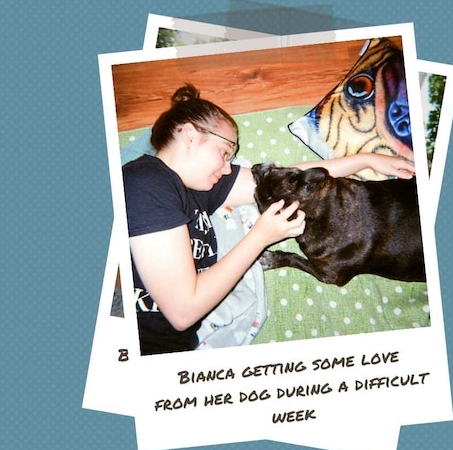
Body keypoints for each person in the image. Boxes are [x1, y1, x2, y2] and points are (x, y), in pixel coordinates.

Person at [123, 83, 415, 355]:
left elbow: (293, 177)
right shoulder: (146, 182)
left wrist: (365, 160)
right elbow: (183, 312)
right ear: (189, 135)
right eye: (225, 153)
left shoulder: (198, 190)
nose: (228, 169)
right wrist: (261, 236)